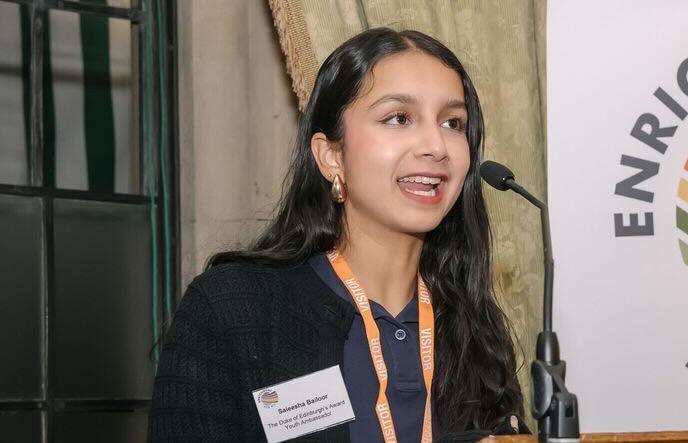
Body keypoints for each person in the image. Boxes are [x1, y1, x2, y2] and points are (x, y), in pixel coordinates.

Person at [148, 27, 527, 443]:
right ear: (331, 157)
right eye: (398, 118)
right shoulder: (232, 309)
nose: (436, 146)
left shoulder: (473, 326)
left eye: (453, 122)